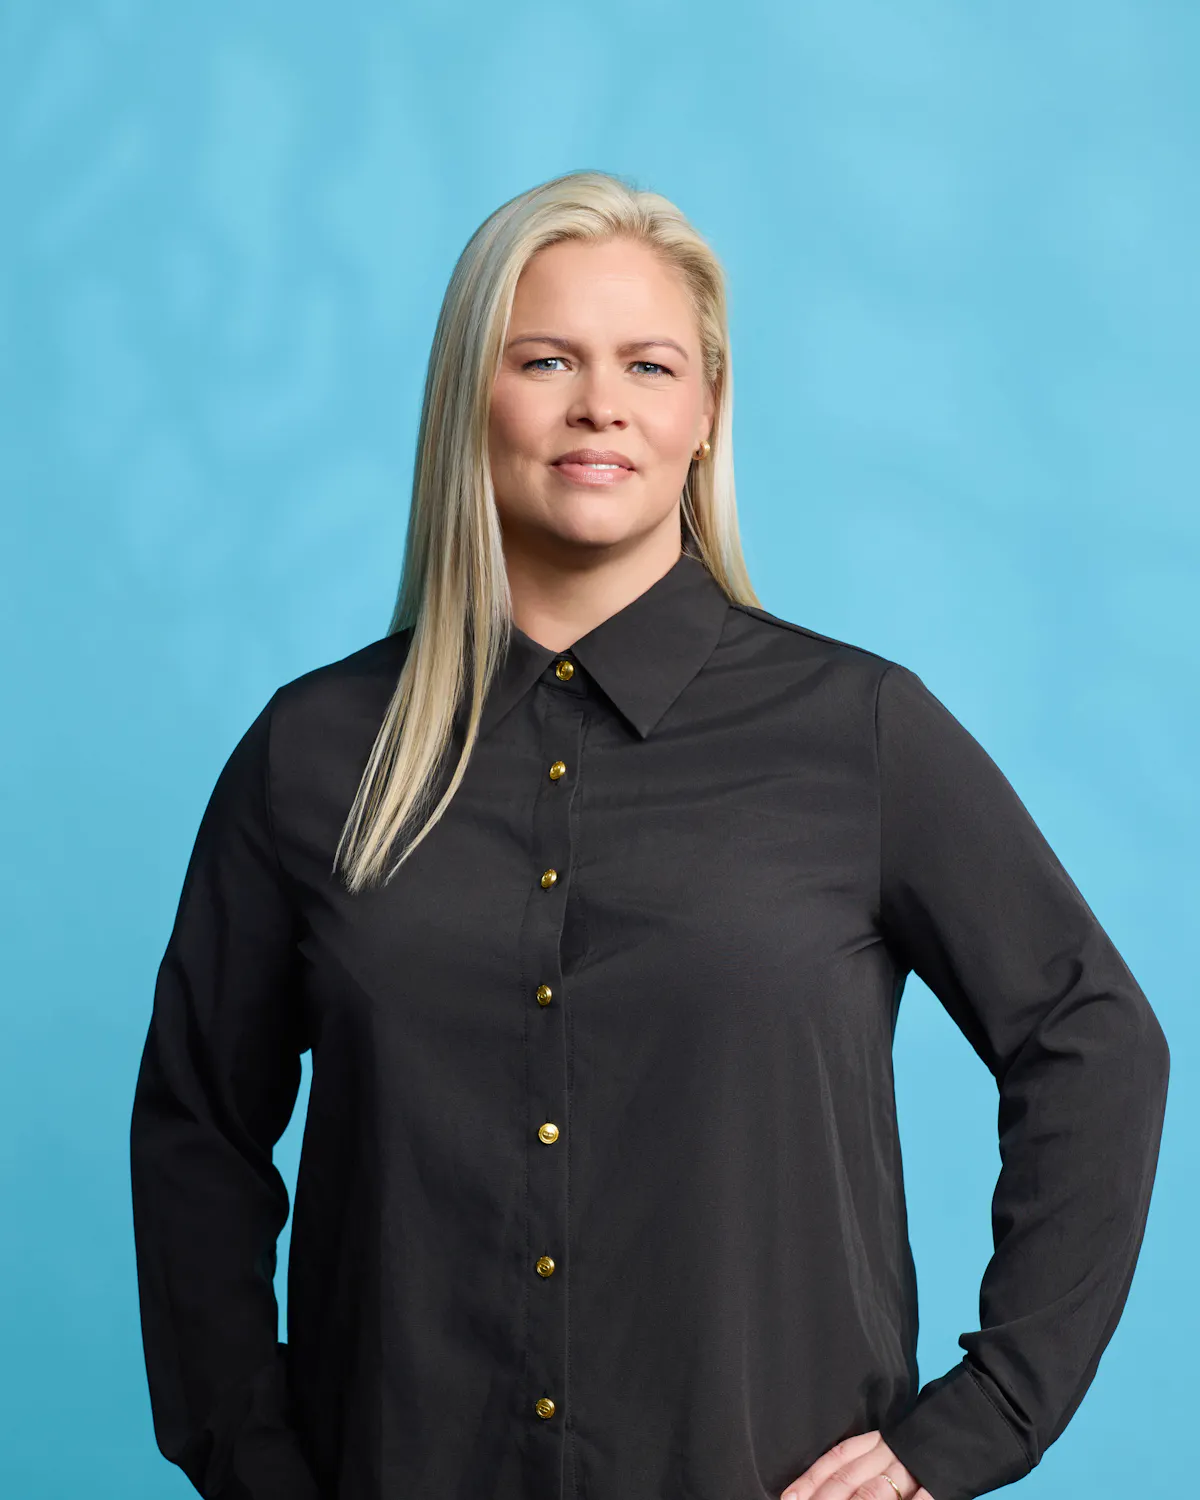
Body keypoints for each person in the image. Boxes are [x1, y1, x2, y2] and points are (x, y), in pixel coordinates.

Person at [129, 169, 1170, 1500]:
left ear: (706, 411)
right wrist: (252, 1458)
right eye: (546, 359)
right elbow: (197, 1129)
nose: (600, 405)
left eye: (649, 365)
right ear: (470, 397)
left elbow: (1093, 1042)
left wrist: (980, 1420)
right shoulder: (315, 751)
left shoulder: (857, 731)